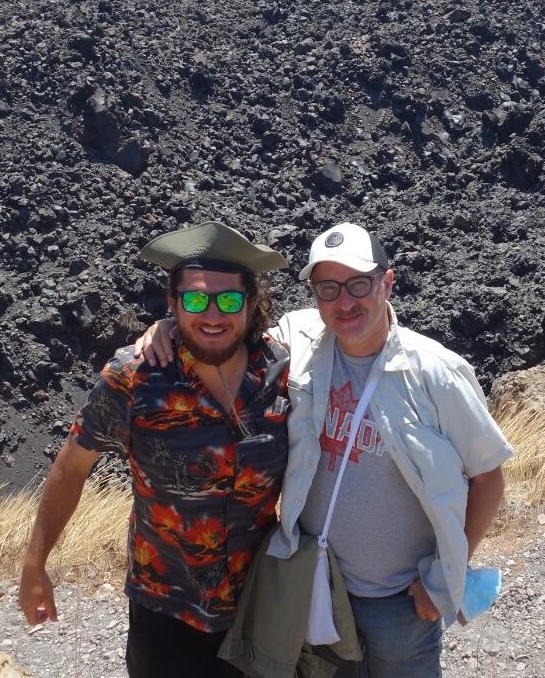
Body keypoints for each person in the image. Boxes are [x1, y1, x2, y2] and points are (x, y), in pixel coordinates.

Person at [139, 222, 511, 678]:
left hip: (399, 599)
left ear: (387, 282)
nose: (344, 301)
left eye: (359, 284)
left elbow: (489, 477)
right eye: (328, 288)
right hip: (316, 590)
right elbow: (224, 329)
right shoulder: (300, 342)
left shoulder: (437, 372)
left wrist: (440, 583)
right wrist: (168, 326)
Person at [20, 222, 293, 678]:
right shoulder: (135, 377)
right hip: (166, 614)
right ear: (172, 304)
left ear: (250, 305)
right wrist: (34, 565)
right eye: (194, 299)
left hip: (259, 608)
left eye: (228, 300)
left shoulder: (282, 370)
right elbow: (71, 468)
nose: (211, 314)